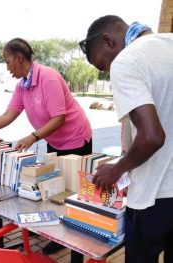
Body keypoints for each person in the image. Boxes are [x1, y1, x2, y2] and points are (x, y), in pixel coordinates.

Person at [0, 37, 92, 254]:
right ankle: (50, 227)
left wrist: (32, 137)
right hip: (54, 141)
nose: (7, 67)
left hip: (75, 138)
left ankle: (65, 238)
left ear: (19, 58)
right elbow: (8, 115)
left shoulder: (48, 77)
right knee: (53, 187)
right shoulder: (23, 85)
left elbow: (59, 118)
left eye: (8, 61)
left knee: (70, 191)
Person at [80, 15, 173, 262]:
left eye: (103, 66)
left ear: (108, 41)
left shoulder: (126, 60)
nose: (109, 71)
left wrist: (117, 169)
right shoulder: (168, 44)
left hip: (157, 194)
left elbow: (153, 136)